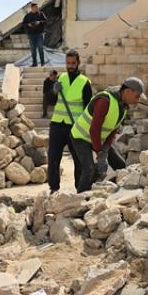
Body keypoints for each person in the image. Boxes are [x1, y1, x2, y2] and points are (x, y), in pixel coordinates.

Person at [70, 77, 145, 193]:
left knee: (120, 165)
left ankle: (110, 191)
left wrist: (104, 150)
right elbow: (94, 129)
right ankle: (81, 198)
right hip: (81, 137)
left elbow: (112, 130)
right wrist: (100, 153)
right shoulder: (105, 101)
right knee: (89, 168)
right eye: (137, 96)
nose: (137, 100)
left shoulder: (123, 106)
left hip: (98, 139)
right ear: (127, 91)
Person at [46, 50, 94, 192]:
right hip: (57, 124)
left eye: (73, 63)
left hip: (74, 128)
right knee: (53, 158)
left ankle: (80, 189)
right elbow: (51, 101)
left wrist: (86, 128)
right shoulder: (61, 78)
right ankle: (54, 188)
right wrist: (53, 91)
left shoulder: (84, 82)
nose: (70, 66)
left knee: (79, 160)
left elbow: (88, 108)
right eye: (68, 63)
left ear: (78, 63)